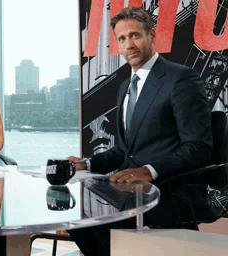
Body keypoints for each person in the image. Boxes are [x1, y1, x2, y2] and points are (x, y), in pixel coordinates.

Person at [66, 7, 213, 255]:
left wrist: (148, 171)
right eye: (122, 39)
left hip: (168, 191)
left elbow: (199, 147)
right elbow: (125, 149)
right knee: (77, 215)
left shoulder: (180, 79)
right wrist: (86, 165)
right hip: (129, 192)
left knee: (96, 221)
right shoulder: (125, 87)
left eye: (135, 35)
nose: (128, 44)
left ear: (152, 35)